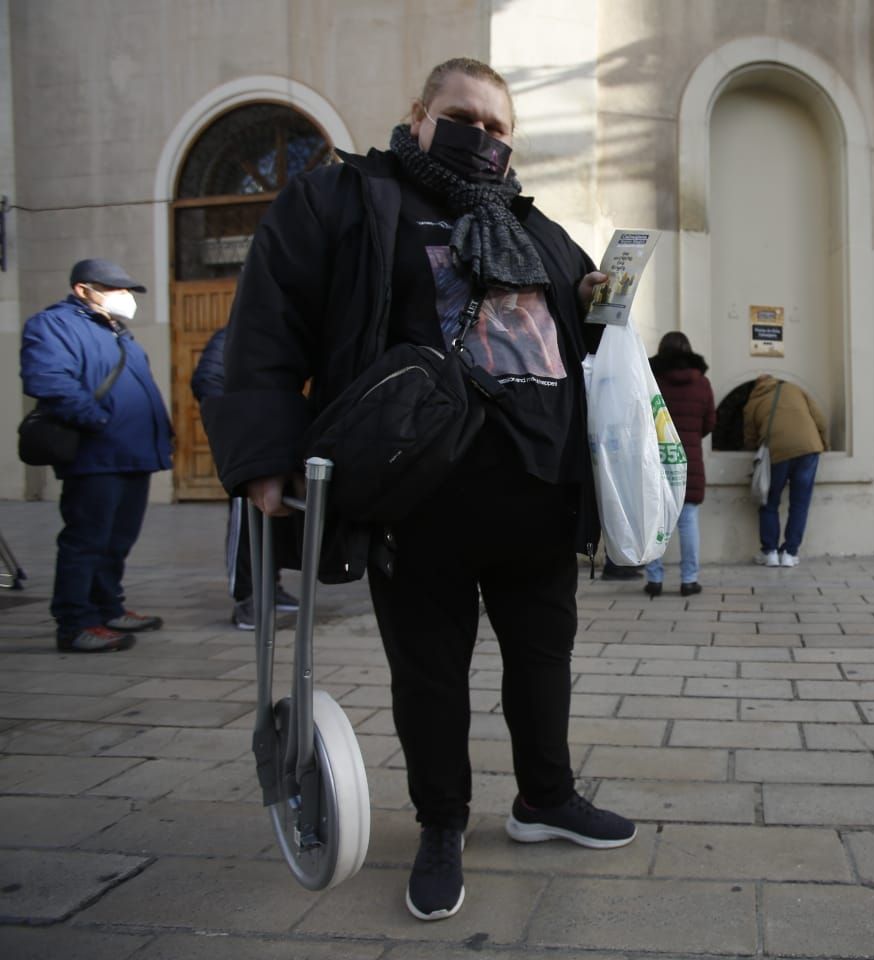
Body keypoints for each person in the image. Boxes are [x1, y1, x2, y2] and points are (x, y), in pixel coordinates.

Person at [203, 58, 635, 922]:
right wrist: (261, 458)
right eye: (464, 115)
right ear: (421, 114)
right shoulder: (344, 199)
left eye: (500, 126)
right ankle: (443, 824)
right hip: (417, 500)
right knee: (431, 678)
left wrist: (597, 298)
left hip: (540, 496)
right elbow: (265, 323)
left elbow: (581, 347)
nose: (484, 136)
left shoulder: (535, 226)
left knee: (543, 665)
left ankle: (544, 798)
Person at [19, 258, 171, 652]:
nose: (125, 296)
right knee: (86, 540)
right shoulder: (53, 325)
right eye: (115, 288)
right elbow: (49, 381)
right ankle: (75, 622)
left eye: (128, 290)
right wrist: (99, 421)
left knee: (118, 539)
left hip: (133, 453)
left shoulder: (119, 332)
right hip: (95, 454)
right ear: (83, 290)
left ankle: (108, 607)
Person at [189, 325, 300, 630]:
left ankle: (271, 586)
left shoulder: (280, 334)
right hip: (250, 445)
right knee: (245, 525)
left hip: (281, 443)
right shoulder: (232, 335)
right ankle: (246, 598)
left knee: (277, 520)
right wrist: (237, 427)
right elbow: (207, 381)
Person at [644, 331, 715, 597]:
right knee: (688, 521)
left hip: (656, 460)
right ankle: (689, 580)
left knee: (655, 521)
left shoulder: (651, 380)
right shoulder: (702, 383)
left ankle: (654, 579)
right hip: (689, 461)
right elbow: (710, 422)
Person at [743, 374, 827, 567]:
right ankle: (790, 553)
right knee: (800, 503)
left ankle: (770, 552)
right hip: (808, 449)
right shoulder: (795, 389)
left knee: (769, 501)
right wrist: (824, 443)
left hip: (777, 450)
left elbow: (749, 435)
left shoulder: (753, 401)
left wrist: (751, 448)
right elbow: (819, 419)